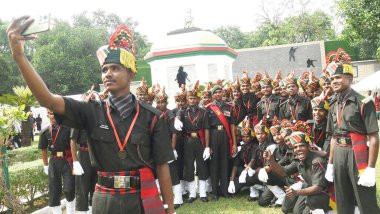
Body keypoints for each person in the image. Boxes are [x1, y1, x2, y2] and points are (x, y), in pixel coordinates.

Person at [7, 20, 175, 214]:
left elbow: (163, 167)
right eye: (104, 70)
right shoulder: (90, 111)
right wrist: (19, 56)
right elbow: (48, 101)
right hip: (105, 200)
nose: (108, 74)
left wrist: (170, 209)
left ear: (131, 73)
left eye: (115, 68)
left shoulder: (152, 117)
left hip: (141, 199)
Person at [324, 61, 380, 214]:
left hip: (357, 154)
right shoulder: (333, 103)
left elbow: (374, 136)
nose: (334, 81)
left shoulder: (363, 102)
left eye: (338, 77)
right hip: (339, 154)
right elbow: (334, 136)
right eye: (332, 79)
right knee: (343, 199)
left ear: (349, 79)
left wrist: (370, 168)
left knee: (365, 200)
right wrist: (330, 163)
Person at [264, 131, 331, 213]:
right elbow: (284, 172)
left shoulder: (317, 161)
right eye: (295, 147)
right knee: (293, 211)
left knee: (312, 201)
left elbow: (318, 188)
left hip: (325, 194)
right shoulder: (298, 160)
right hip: (308, 187)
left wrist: (296, 192)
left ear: (308, 147)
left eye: (301, 146)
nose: (298, 149)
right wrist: (271, 160)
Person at [174, 81, 210, 203]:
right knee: (188, 166)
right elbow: (178, 115)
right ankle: (192, 194)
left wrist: (207, 147)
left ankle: (203, 193)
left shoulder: (203, 112)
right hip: (187, 141)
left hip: (200, 142)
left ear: (199, 98)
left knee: (202, 166)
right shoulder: (183, 111)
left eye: (194, 98)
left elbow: (206, 129)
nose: (192, 100)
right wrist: (177, 120)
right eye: (190, 98)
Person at [39, 110, 75, 214]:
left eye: (55, 113)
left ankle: (71, 211)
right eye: (50, 113)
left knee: (69, 188)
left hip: (67, 160)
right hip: (54, 161)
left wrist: (75, 162)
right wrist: (45, 165)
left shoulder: (68, 129)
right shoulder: (44, 132)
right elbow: (43, 149)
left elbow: (73, 144)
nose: (53, 115)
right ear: (47, 115)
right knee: (54, 189)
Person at [205, 84, 237, 200]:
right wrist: (207, 146)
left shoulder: (229, 107)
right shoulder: (208, 108)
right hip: (213, 136)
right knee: (214, 164)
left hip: (225, 135)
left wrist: (234, 143)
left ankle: (224, 190)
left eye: (220, 92)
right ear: (212, 95)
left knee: (225, 163)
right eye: (215, 92)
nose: (218, 94)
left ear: (223, 93)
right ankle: (214, 191)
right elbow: (206, 128)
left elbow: (232, 125)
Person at [70, 128, 96, 214]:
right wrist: (75, 161)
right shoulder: (78, 119)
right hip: (84, 154)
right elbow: (72, 140)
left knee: (96, 186)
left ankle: (93, 210)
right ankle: (82, 212)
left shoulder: (99, 117)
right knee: (82, 187)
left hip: (97, 156)